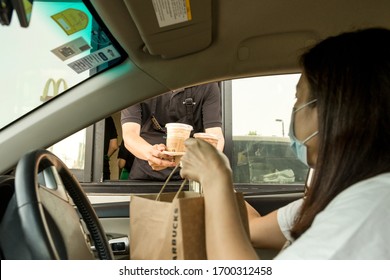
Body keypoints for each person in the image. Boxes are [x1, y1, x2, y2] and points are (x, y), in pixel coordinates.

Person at [179, 28, 390, 259]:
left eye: (298, 99)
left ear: (331, 112)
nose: (294, 111)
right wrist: (219, 178)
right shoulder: (335, 199)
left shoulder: (369, 209)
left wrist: (215, 176)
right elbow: (252, 229)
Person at [121, 82, 225, 181]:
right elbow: (129, 134)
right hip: (144, 174)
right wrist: (151, 153)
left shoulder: (207, 85)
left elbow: (215, 135)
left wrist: (209, 161)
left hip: (189, 175)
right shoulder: (137, 84)